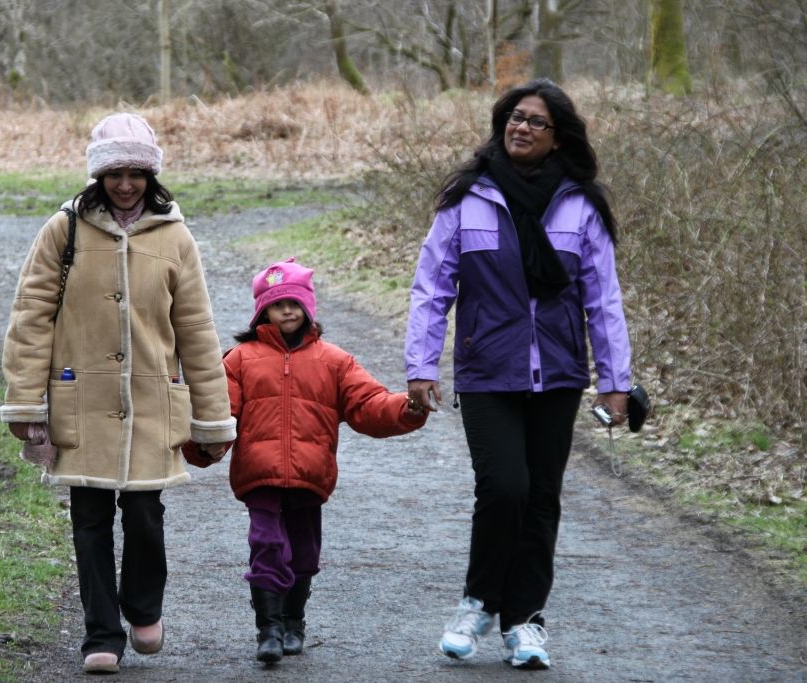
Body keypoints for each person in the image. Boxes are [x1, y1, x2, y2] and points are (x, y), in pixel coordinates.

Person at [404, 79, 631, 671]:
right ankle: (477, 602)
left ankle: (524, 622)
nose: (521, 127)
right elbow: (432, 288)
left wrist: (616, 380)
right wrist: (421, 366)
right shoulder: (467, 198)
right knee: (504, 488)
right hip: (486, 370)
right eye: (514, 118)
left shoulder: (581, 205)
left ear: (558, 137)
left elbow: (602, 299)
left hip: (556, 372)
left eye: (535, 121)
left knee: (542, 499)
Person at [0, 113, 236, 675]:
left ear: (150, 175)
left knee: (144, 514)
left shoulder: (175, 236)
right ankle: (101, 634)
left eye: (135, 173)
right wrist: (27, 403)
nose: (125, 184)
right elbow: (31, 317)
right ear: (96, 176)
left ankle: (143, 607)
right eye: (114, 174)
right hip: (79, 401)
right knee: (89, 520)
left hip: (152, 403)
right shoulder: (65, 230)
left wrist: (213, 415)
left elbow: (198, 331)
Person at [188, 257, 427, 664]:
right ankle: (269, 628)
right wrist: (201, 445)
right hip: (259, 474)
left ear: (308, 308)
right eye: (278, 304)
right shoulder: (240, 359)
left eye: (294, 304)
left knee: (303, 552)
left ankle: (293, 621)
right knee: (265, 543)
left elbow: (367, 402)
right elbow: (219, 413)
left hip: (309, 476)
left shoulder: (334, 361)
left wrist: (407, 407)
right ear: (262, 310)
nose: (287, 311)